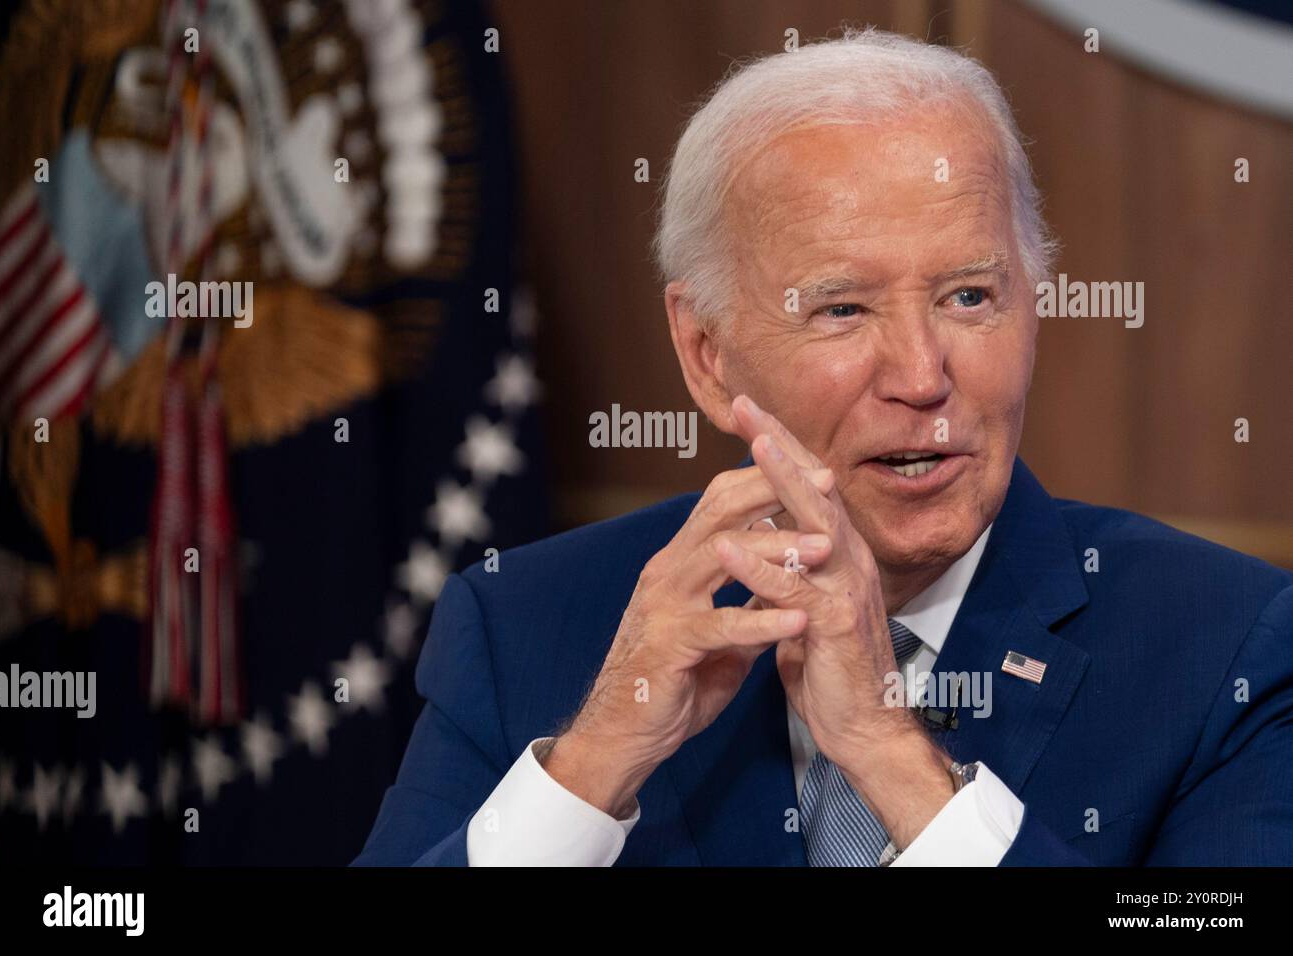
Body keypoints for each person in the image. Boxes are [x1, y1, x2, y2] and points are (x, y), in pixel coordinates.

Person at [354, 27, 1293, 866]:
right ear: (706, 354)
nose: (923, 375)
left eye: (969, 296)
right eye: (842, 309)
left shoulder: (1226, 650)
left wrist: (892, 755)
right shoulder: (525, 625)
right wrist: (592, 765)